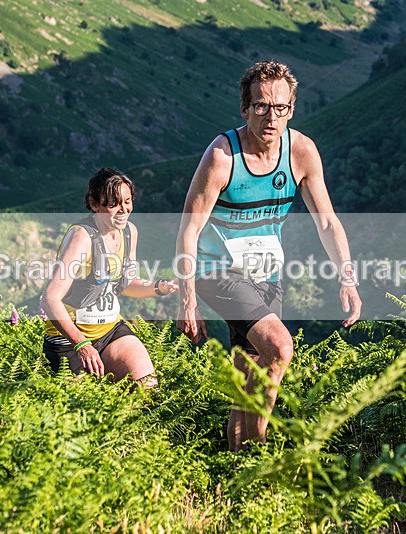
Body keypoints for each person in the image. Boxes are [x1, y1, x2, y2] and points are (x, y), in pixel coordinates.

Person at [176, 61, 362, 451]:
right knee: (280, 347)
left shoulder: (301, 153)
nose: (271, 117)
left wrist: (347, 277)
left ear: (291, 110)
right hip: (217, 270)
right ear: (245, 108)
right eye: (261, 106)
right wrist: (187, 299)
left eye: (280, 108)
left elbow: (327, 223)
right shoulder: (222, 156)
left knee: (248, 382)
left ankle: (235, 474)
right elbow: (189, 229)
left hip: (266, 274)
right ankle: (262, 453)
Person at [41, 167, 178, 389]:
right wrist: (82, 344)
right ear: (95, 204)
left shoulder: (129, 231)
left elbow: (126, 284)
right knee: (82, 414)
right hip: (69, 341)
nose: (123, 210)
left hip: (109, 330)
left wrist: (161, 287)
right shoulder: (81, 238)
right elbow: (49, 299)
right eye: (113, 204)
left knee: (148, 389)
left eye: (127, 201)